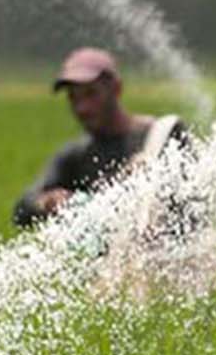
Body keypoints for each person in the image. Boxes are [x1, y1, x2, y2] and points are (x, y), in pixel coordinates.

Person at [12, 47, 190, 228]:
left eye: (91, 94)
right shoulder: (76, 156)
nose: (82, 108)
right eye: (73, 97)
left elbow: (193, 206)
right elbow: (21, 210)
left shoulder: (163, 135)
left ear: (116, 89)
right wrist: (47, 202)